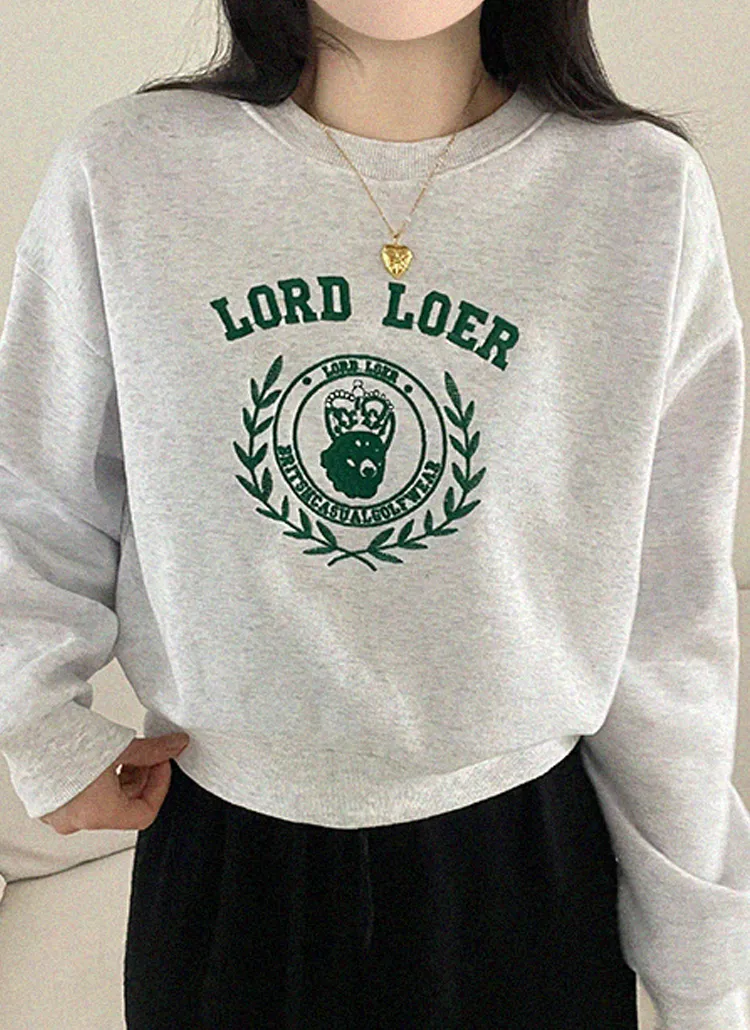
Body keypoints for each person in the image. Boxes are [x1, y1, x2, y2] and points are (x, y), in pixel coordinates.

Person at [1, 1, 749, 1027]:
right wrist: (39, 721)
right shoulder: (130, 170)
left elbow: (670, 613)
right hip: (224, 852)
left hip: (525, 871)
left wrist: (710, 974)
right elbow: (33, 482)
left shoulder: (638, 194)